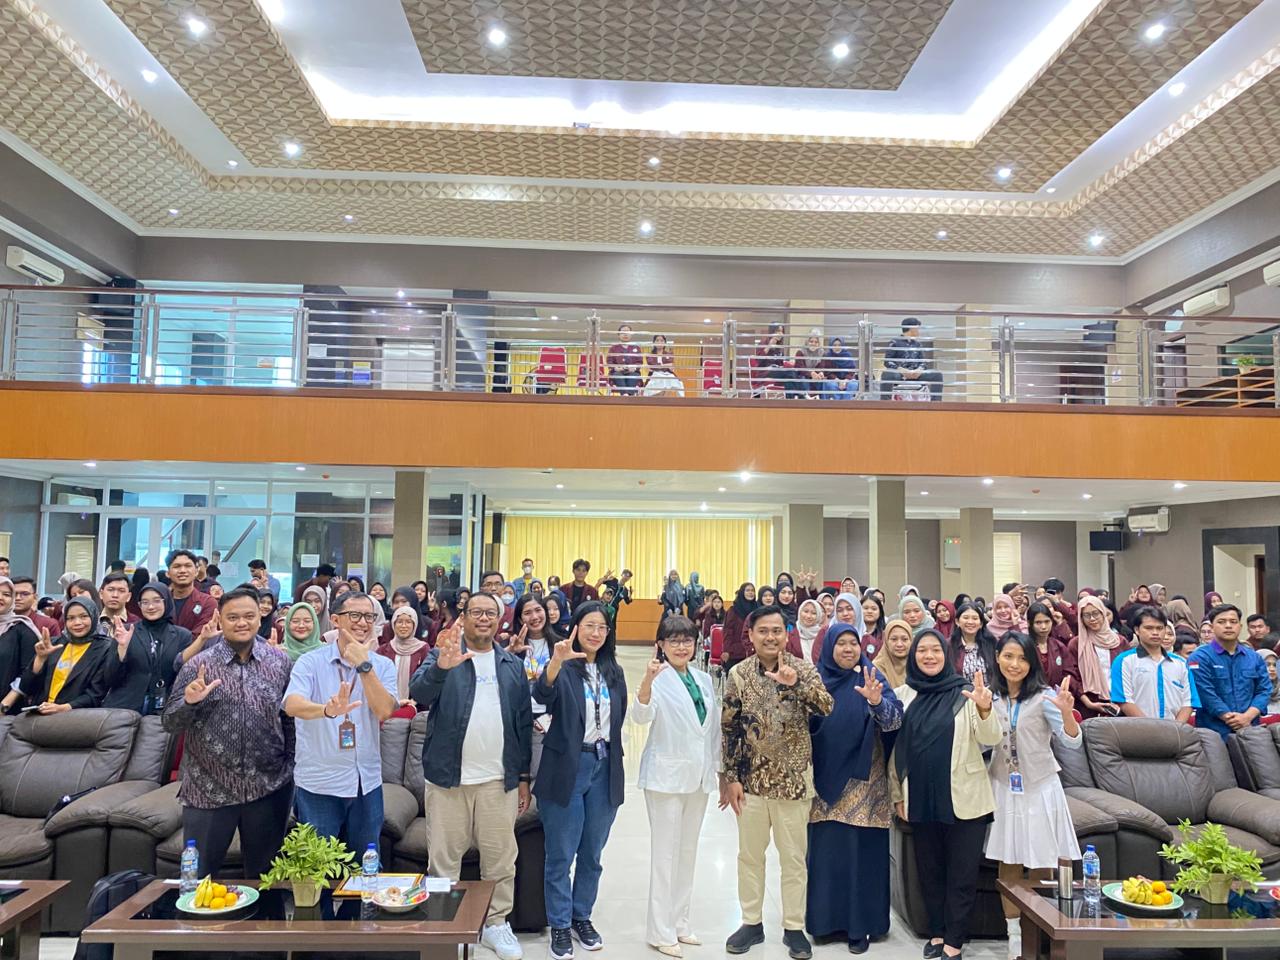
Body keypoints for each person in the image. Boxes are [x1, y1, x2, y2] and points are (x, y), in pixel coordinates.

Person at [409, 591, 532, 959]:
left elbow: (523, 723)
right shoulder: (443, 653)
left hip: (498, 780)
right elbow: (418, 691)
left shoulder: (510, 664)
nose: (483, 618)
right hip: (448, 779)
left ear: (499, 620)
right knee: (444, 860)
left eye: (490, 613)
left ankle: (496, 923)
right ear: (462, 617)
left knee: (500, 859)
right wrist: (441, 667)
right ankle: (447, 926)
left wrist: (523, 777)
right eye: (476, 611)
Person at [720, 606, 834, 960]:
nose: (770, 637)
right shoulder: (738, 674)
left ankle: (793, 927)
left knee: (793, 860)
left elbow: (826, 707)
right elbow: (730, 728)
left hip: (794, 784)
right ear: (751, 635)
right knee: (749, 857)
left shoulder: (803, 669)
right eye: (763, 631)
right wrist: (731, 777)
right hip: (751, 783)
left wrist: (795, 684)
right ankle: (751, 922)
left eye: (777, 631)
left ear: (786, 635)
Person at [162, 586, 294, 878]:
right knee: (198, 881)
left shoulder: (280, 663)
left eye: (249, 616)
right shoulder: (198, 665)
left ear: (260, 617)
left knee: (267, 880)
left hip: (268, 788)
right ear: (220, 620)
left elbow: (289, 721)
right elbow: (170, 723)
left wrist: (289, 767)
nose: (242, 623)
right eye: (232, 617)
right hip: (208, 789)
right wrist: (189, 702)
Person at [889, 630, 1001, 960]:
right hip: (920, 796)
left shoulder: (965, 693)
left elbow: (991, 738)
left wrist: (984, 708)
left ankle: (954, 941)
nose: (929, 656)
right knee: (930, 872)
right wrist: (897, 795)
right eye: (922, 650)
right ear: (913, 657)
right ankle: (937, 932)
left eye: (935, 650)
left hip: (965, 798)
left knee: (961, 874)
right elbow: (895, 751)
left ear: (946, 654)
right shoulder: (903, 695)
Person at [534, 601, 627, 960]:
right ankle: (559, 924)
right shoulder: (564, 666)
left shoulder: (613, 671)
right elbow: (540, 698)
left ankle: (580, 917)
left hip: (605, 767)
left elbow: (618, 720)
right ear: (576, 628)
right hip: (566, 768)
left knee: (592, 854)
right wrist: (555, 664)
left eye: (602, 627)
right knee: (561, 854)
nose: (595, 633)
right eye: (589, 625)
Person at [806, 622, 903, 954]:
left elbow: (894, 721)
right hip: (824, 782)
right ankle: (824, 923)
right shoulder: (816, 681)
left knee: (862, 855)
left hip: (866, 783)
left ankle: (861, 926)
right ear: (829, 647)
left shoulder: (872, 677)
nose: (848, 649)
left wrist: (876, 703)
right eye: (841, 643)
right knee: (828, 854)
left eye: (853, 643)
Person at [985, 632, 1081, 959]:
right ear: (997, 657)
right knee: (1009, 861)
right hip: (1003, 786)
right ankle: (1014, 938)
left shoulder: (1045, 697)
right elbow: (982, 742)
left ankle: (1039, 935)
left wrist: (1067, 714)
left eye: (1023, 658)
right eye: (1008, 656)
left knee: (1042, 861)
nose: (1015, 664)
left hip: (1039, 787)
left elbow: (1072, 742)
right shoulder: (990, 697)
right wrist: (981, 712)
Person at [632, 616, 720, 958]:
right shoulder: (658, 677)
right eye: (674, 641)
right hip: (665, 779)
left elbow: (711, 731)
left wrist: (717, 772)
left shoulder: (703, 679)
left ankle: (680, 921)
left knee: (687, 852)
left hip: (698, 778)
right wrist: (646, 682)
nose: (681, 647)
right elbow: (641, 716)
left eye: (687, 640)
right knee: (665, 855)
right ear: (661, 645)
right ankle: (660, 930)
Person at [285, 592, 397, 855]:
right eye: (355, 615)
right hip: (319, 783)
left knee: (366, 864)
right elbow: (292, 704)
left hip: (365, 782)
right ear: (335, 620)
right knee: (316, 866)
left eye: (369, 616)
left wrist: (364, 665)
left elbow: (384, 711)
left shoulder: (382, 665)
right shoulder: (311, 662)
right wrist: (326, 710)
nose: (363, 622)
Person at [102, 582, 191, 714]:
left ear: (167, 602)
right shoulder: (127, 631)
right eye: (145, 602)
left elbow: (183, 675)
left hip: (163, 709)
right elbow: (110, 679)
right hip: (123, 708)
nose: (150, 607)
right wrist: (122, 649)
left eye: (156, 601)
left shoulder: (182, 635)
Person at [1189, 604, 1272, 740]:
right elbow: (1205, 693)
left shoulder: (1254, 657)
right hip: (1213, 732)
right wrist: (1231, 718)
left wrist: (1247, 717)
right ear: (1212, 627)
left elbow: (1264, 690)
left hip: (1250, 729)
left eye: (1233, 622)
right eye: (1221, 622)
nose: (1228, 626)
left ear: (1240, 626)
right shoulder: (1199, 657)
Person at [17, 597, 110, 712]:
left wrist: (63, 708)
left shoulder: (105, 648)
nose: (77, 623)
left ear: (94, 617)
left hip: (76, 716)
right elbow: (26, 688)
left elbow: (96, 693)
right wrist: (40, 659)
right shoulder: (54, 643)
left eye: (83, 616)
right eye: (70, 618)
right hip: (41, 714)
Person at [1111, 606, 1199, 722]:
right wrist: (1152, 728)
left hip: (1175, 729)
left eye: (1160, 628)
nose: (1155, 633)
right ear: (1137, 630)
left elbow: (1189, 701)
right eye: (1149, 628)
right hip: (1137, 729)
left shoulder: (1181, 663)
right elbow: (1124, 700)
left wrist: (1177, 728)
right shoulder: (1124, 661)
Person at [1073, 595, 1123, 719]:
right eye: (1086, 615)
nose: (1092, 619)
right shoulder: (1076, 644)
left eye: (1096, 613)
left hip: (1120, 702)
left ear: (1103, 614)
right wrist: (1088, 703)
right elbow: (1073, 677)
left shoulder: (1120, 641)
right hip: (1090, 705)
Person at [0, 576, 40, 711]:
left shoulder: (23, 630)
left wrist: (5, 705)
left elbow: (28, 673)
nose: (1, 597)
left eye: (6, 594)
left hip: (6, 711)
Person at [879, 317, 943, 401]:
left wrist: (919, 370)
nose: (918, 330)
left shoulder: (918, 344)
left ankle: (935, 403)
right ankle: (885, 403)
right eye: (917, 328)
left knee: (937, 375)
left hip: (916, 375)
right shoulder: (895, 342)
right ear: (912, 328)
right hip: (900, 374)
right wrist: (901, 370)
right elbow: (887, 361)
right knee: (887, 374)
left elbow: (923, 362)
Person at [377, 605, 430, 702]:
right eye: (399, 622)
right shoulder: (383, 650)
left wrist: (414, 702)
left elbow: (426, 679)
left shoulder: (423, 648)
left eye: (408, 622)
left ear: (414, 625)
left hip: (415, 705)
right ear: (393, 624)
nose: (403, 626)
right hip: (387, 704)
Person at [166, 550, 216, 636]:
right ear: (168, 573)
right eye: (177, 566)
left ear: (196, 572)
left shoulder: (207, 602)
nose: (182, 570)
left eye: (188, 566)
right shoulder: (160, 601)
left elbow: (200, 635)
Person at [872, 618, 913, 691]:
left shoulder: (918, 665)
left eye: (904, 639)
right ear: (886, 641)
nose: (899, 644)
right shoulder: (876, 667)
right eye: (894, 639)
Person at [723, 583, 757, 670]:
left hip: (754, 650)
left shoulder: (758, 609)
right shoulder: (733, 611)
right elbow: (728, 632)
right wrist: (726, 650)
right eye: (747, 590)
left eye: (752, 590)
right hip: (736, 651)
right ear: (742, 592)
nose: (750, 593)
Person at [607, 324, 643, 396]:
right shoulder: (613, 348)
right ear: (619, 334)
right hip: (617, 373)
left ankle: (626, 396)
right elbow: (609, 361)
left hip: (633, 372)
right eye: (623, 332)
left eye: (628, 332)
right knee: (618, 375)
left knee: (634, 376)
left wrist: (634, 368)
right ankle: (626, 395)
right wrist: (616, 368)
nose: (625, 334)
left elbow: (639, 362)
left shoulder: (636, 348)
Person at [790, 330, 827, 400]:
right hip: (802, 376)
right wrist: (811, 373)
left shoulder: (822, 353)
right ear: (807, 342)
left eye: (816, 342)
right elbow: (800, 368)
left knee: (822, 381)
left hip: (815, 377)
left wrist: (820, 373)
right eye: (811, 341)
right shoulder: (800, 352)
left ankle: (821, 401)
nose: (813, 344)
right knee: (804, 380)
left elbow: (822, 367)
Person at [794, 599, 825, 663]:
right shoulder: (791, 635)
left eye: (814, 613)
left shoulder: (823, 635)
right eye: (805, 611)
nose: (809, 616)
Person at [1258, 649, 1280, 715]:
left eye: (1275, 665)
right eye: (1267, 665)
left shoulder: (1278, 690)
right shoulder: (1249, 692)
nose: (1272, 669)